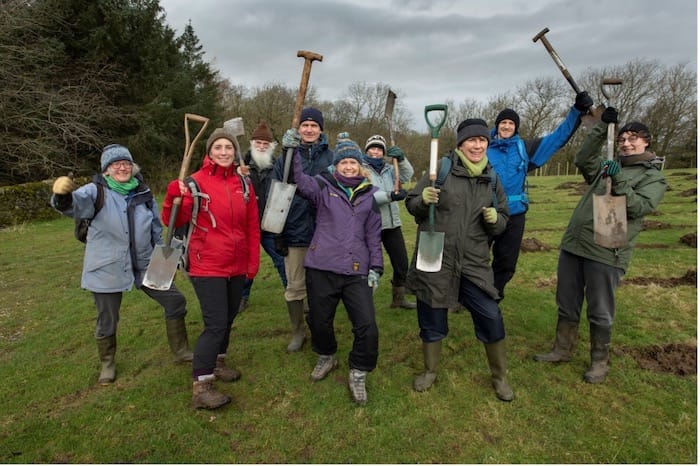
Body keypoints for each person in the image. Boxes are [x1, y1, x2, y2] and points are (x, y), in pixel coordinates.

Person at [533, 109, 666, 383]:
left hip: (607, 249)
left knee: (600, 308)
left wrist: (617, 179)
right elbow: (582, 158)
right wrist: (602, 125)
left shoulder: (653, 178)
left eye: (633, 139)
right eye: (622, 139)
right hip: (576, 244)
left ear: (646, 142)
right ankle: (562, 349)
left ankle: (599, 362)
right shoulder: (606, 165)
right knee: (567, 301)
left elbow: (639, 207)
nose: (627, 143)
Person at [50, 144, 193, 386]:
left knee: (175, 300)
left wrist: (166, 264)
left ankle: (180, 351)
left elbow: (157, 232)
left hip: (147, 263)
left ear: (133, 167)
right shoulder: (96, 192)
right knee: (107, 319)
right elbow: (72, 205)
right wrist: (62, 196)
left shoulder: (144, 193)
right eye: (116, 164)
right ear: (106, 170)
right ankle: (107, 363)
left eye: (126, 163)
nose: (122, 167)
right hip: (107, 266)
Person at [405, 118, 514, 402]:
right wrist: (423, 200)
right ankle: (430, 371)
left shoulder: (491, 178)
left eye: (482, 141)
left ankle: (500, 376)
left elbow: (503, 219)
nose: (477, 145)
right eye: (471, 140)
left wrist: (495, 219)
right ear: (461, 144)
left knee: (490, 314)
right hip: (437, 254)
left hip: (474, 259)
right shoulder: (440, 170)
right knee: (431, 315)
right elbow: (412, 205)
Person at [162, 127, 260, 409]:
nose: (224, 152)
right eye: (218, 147)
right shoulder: (194, 183)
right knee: (215, 323)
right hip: (207, 263)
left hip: (237, 263)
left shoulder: (243, 184)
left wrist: (252, 262)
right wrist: (172, 197)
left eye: (228, 147)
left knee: (228, 317)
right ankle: (202, 386)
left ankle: (218, 361)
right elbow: (172, 218)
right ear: (209, 152)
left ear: (235, 151)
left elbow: (252, 225)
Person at [285, 130, 382, 405]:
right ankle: (326, 355)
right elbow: (298, 180)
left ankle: (359, 370)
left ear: (360, 166)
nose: (348, 166)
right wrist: (291, 152)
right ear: (335, 166)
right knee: (318, 320)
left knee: (367, 326)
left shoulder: (372, 196)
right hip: (321, 266)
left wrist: (376, 267)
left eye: (353, 162)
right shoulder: (322, 188)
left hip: (356, 270)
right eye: (343, 163)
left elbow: (374, 235)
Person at [487, 91, 594, 300]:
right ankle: (470, 295)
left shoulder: (525, 149)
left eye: (511, 123)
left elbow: (557, 139)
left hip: (514, 215)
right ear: (497, 125)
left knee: (506, 262)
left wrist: (576, 111)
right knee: (474, 257)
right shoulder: (483, 147)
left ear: (516, 127)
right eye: (503, 122)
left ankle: (494, 294)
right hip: (485, 212)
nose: (507, 126)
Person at [271, 107, 334, 353]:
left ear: (321, 129)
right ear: (298, 129)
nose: (309, 129)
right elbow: (276, 194)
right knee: (295, 287)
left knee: (322, 287)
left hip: (324, 232)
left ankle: (321, 327)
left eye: (314, 126)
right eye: (305, 125)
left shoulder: (331, 158)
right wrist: (277, 231)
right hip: (295, 231)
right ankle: (298, 331)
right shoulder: (284, 158)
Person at [362, 134, 416, 309]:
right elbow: (366, 197)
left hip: (392, 224)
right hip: (369, 225)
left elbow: (407, 175)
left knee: (401, 263)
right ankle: (362, 300)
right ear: (366, 150)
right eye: (372, 148)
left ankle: (398, 298)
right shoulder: (360, 169)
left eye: (379, 149)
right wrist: (390, 196)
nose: (375, 152)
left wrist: (401, 160)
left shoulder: (389, 169)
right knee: (370, 266)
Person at [239, 120, 288, 312]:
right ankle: (242, 297)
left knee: (282, 260)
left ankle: (292, 293)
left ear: (270, 146)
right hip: (247, 225)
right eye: (258, 142)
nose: (261, 146)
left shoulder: (277, 167)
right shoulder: (241, 165)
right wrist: (236, 174)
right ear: (252, 144)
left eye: (265, 144)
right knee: (246, 264)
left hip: (270, 225)